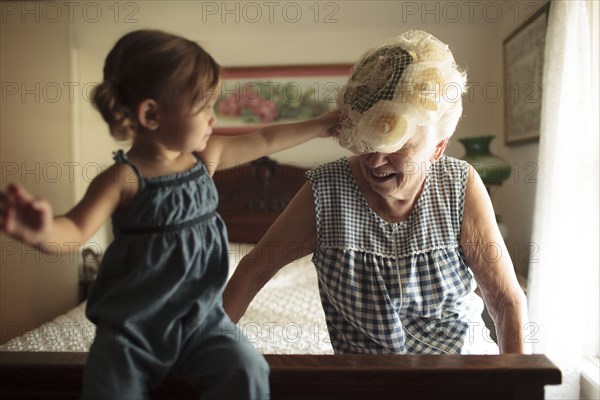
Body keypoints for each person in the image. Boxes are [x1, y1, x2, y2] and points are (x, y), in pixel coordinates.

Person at [0, 30, 337, 399]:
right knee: (109, 388)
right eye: (203, 107)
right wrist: (41, 230)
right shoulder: (122, 179)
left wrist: (321, 125)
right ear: (151, 114)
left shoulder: (207, 157)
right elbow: (74, 230)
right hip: (132, 328)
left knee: (247, 369)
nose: (213, 118)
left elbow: (266, 140)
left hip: (202, 321)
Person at [223, 30, 529, 355]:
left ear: (437, 149)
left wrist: (515, 382)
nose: (376, 160)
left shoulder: (459, 185)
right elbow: (252, 272)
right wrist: (206, 356)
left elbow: (505, 301)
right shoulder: (327, 190)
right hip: (365, 378)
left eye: (396, 146)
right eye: (368, 143)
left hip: (459, 370)